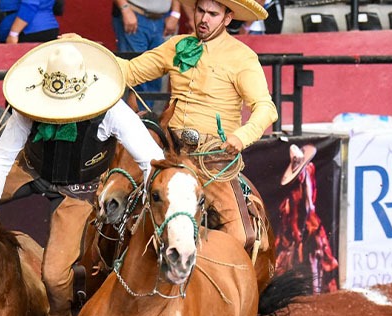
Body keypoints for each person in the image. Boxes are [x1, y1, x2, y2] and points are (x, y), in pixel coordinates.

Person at [0, 38, 164, 316]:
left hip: (82, 191)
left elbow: (149, 159)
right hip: (32, 170)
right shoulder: (28, 107)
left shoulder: (111, 110)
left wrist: (140, 203)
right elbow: (1, 156)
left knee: (54, 274)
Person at [116, 0, 277, 252]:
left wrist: (241, 136)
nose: (204, 19)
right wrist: (89, 54)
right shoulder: (176, 45)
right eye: (201, 11)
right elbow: (129, 71)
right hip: (170, 154)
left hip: (212, 160)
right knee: (116, 208)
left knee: (239, 236)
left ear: (227, 18)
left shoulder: (242, 57)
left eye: (213, 14)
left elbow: (265, 107)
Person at [275, 144, 338, 294]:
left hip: (310, 226)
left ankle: (318, 289)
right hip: (296, 229)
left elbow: (309, 205)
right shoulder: (293, 196)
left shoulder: (309, 171)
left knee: (317, 253)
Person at [111, 0, 181, 109]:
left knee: (156, 78)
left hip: (162, 19)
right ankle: (136, 122)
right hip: (135, 15)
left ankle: (148, 121)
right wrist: (125, 8)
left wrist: (175, 13)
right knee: (133, 81)